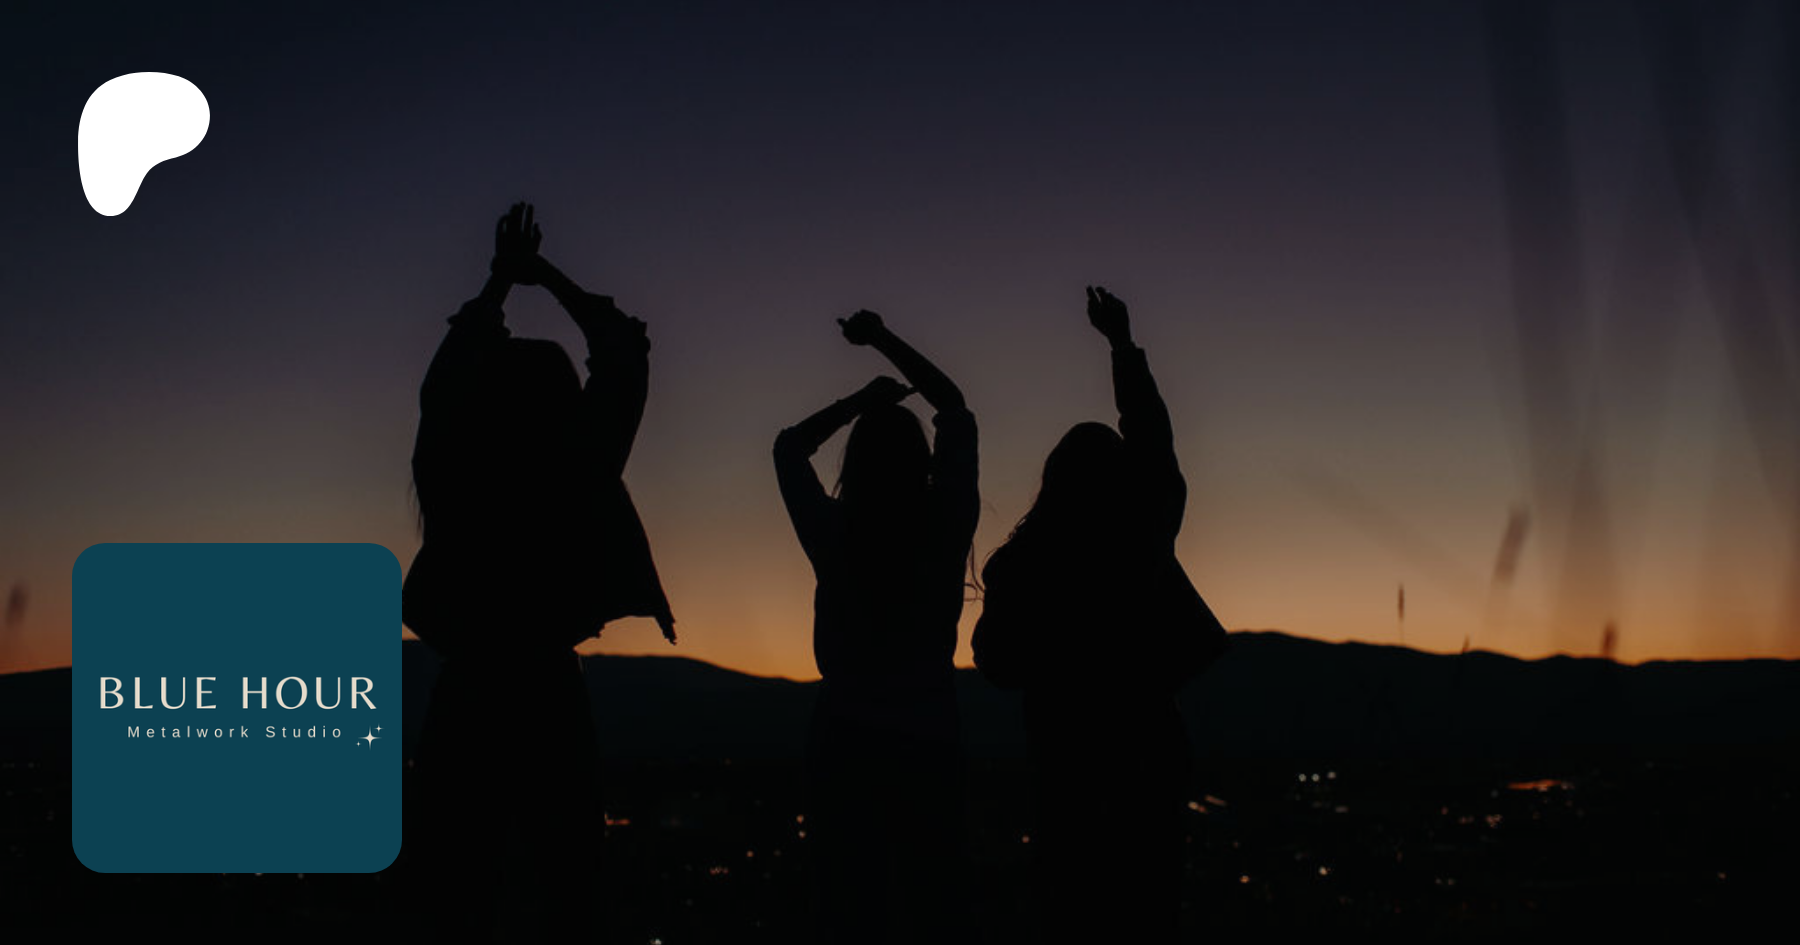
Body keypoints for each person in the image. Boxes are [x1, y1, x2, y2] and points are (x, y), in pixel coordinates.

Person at [403, 202, 675, 939]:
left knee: (455, 891)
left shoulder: (454, 476)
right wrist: (541, 276)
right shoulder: (575, 470)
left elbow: (442, 385)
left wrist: (500, 281)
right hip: (549, 696)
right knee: (567, 889)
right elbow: (622, 350)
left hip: (467, 694)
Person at [972, 286, 1225, 943]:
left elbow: (994, 662)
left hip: (1066, 761)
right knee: (1149, 902)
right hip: (1149, 751)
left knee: (1073, 903)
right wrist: (1122, 345)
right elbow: (1155, 443)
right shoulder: (1139, 537)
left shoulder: (1023, 565)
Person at [774, 310, 979, 944]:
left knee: (846, 900)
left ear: (855, 463)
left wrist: (860, 401)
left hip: (843, 734)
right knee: (931, 899)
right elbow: (953, 406)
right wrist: (882, 339)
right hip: (930, 730)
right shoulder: (945, 521)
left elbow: (788, 448)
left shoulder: (834, 532)